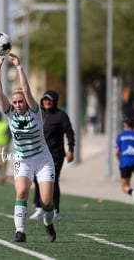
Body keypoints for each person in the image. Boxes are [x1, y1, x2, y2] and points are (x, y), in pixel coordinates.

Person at [0, 53, 56, 243]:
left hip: (42, 159)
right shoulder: (10, 113)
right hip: (23, 159)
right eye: (15, 102)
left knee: (46, 201)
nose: (18, 105)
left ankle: (48, 223)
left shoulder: (34, 112)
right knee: (21, 192)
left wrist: (19, 67)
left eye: (20, 102)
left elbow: (26, 89)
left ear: (26, 102)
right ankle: (20, 231)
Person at [29, 90, 75, 220]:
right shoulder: (38, 115)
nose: (47, 102)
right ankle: (39, 208)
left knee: (52, 181)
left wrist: (71, 149)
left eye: (49, 99)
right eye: (44, 99)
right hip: (39, 153)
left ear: (54, 101)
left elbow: (70, 133)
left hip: (56, 153)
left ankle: (55, 211)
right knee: (37, 179)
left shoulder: (61, 116)